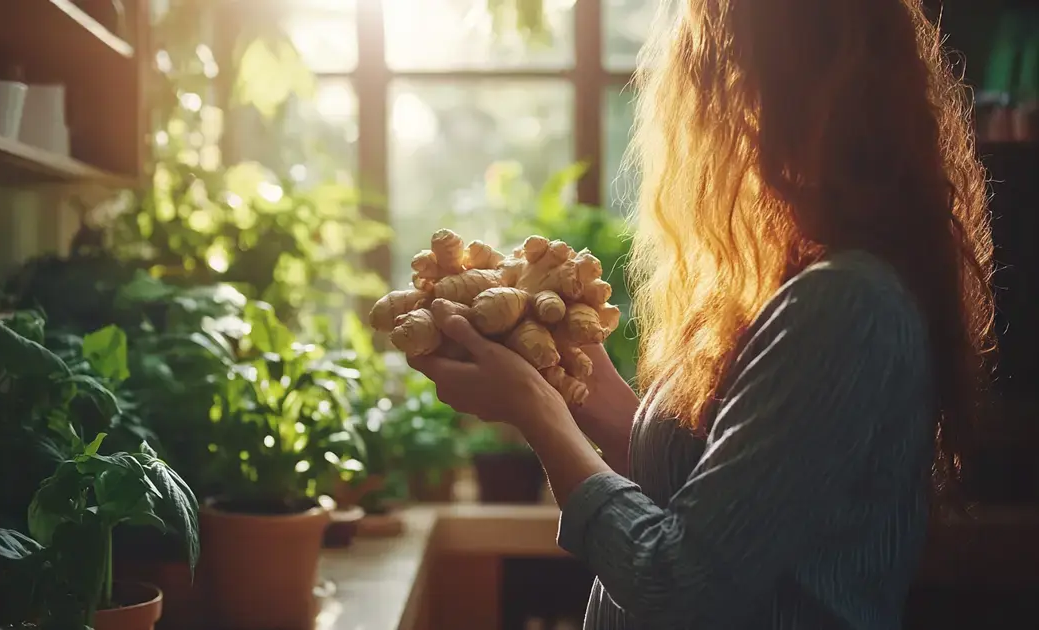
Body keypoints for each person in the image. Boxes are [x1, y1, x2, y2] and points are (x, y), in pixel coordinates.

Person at [409, 0, 997, 627]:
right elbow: (715, 503)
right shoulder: (817, 283)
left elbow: (678, 581)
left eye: (701, 84)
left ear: (756, 99)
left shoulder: (846, 304)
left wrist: (538, 415)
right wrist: (572, 381)